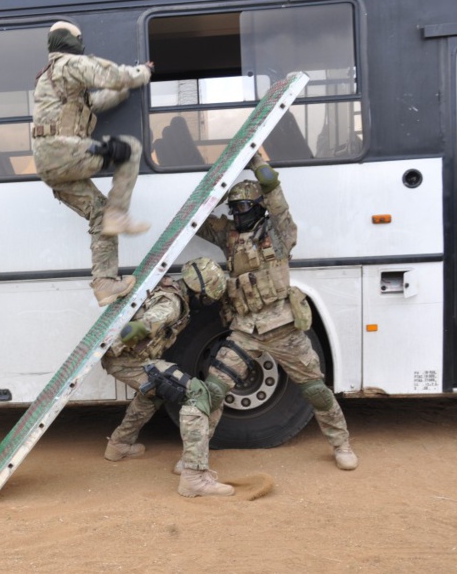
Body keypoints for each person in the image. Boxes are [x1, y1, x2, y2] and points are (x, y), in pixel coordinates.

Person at [195, 153, 358, 471]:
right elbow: (198, 221)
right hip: (244, 330)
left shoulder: (279, 235)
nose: (237, 214)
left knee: (314, 389)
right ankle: (195, 457)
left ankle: (341, 444)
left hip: (282, 326)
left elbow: (278, 202)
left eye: (243, 207)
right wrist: (213, 184)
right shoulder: (230, 238)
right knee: (214, 390)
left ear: (257, 207)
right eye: (234, 209)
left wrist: (261, 169)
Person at [32, 21, 153, 307]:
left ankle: (105, 283)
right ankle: (120, 213)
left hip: (52, 165)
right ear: (70, 41)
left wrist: (123, 92)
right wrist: (142, 73)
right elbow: (110, 75)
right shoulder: (69, 64)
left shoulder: (52, 76)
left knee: (100, 212)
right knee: (130, 148)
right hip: (63, 151)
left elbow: (93, 104)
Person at [102, 257, 235, 497]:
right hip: (129, 362)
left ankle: (119, 445)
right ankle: (193, 474)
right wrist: (112, 346)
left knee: (153, 393)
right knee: (202, 394)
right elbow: (145, 325)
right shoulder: (173, 304)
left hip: (130, 362)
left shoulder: (169, 290)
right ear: (200, 292)